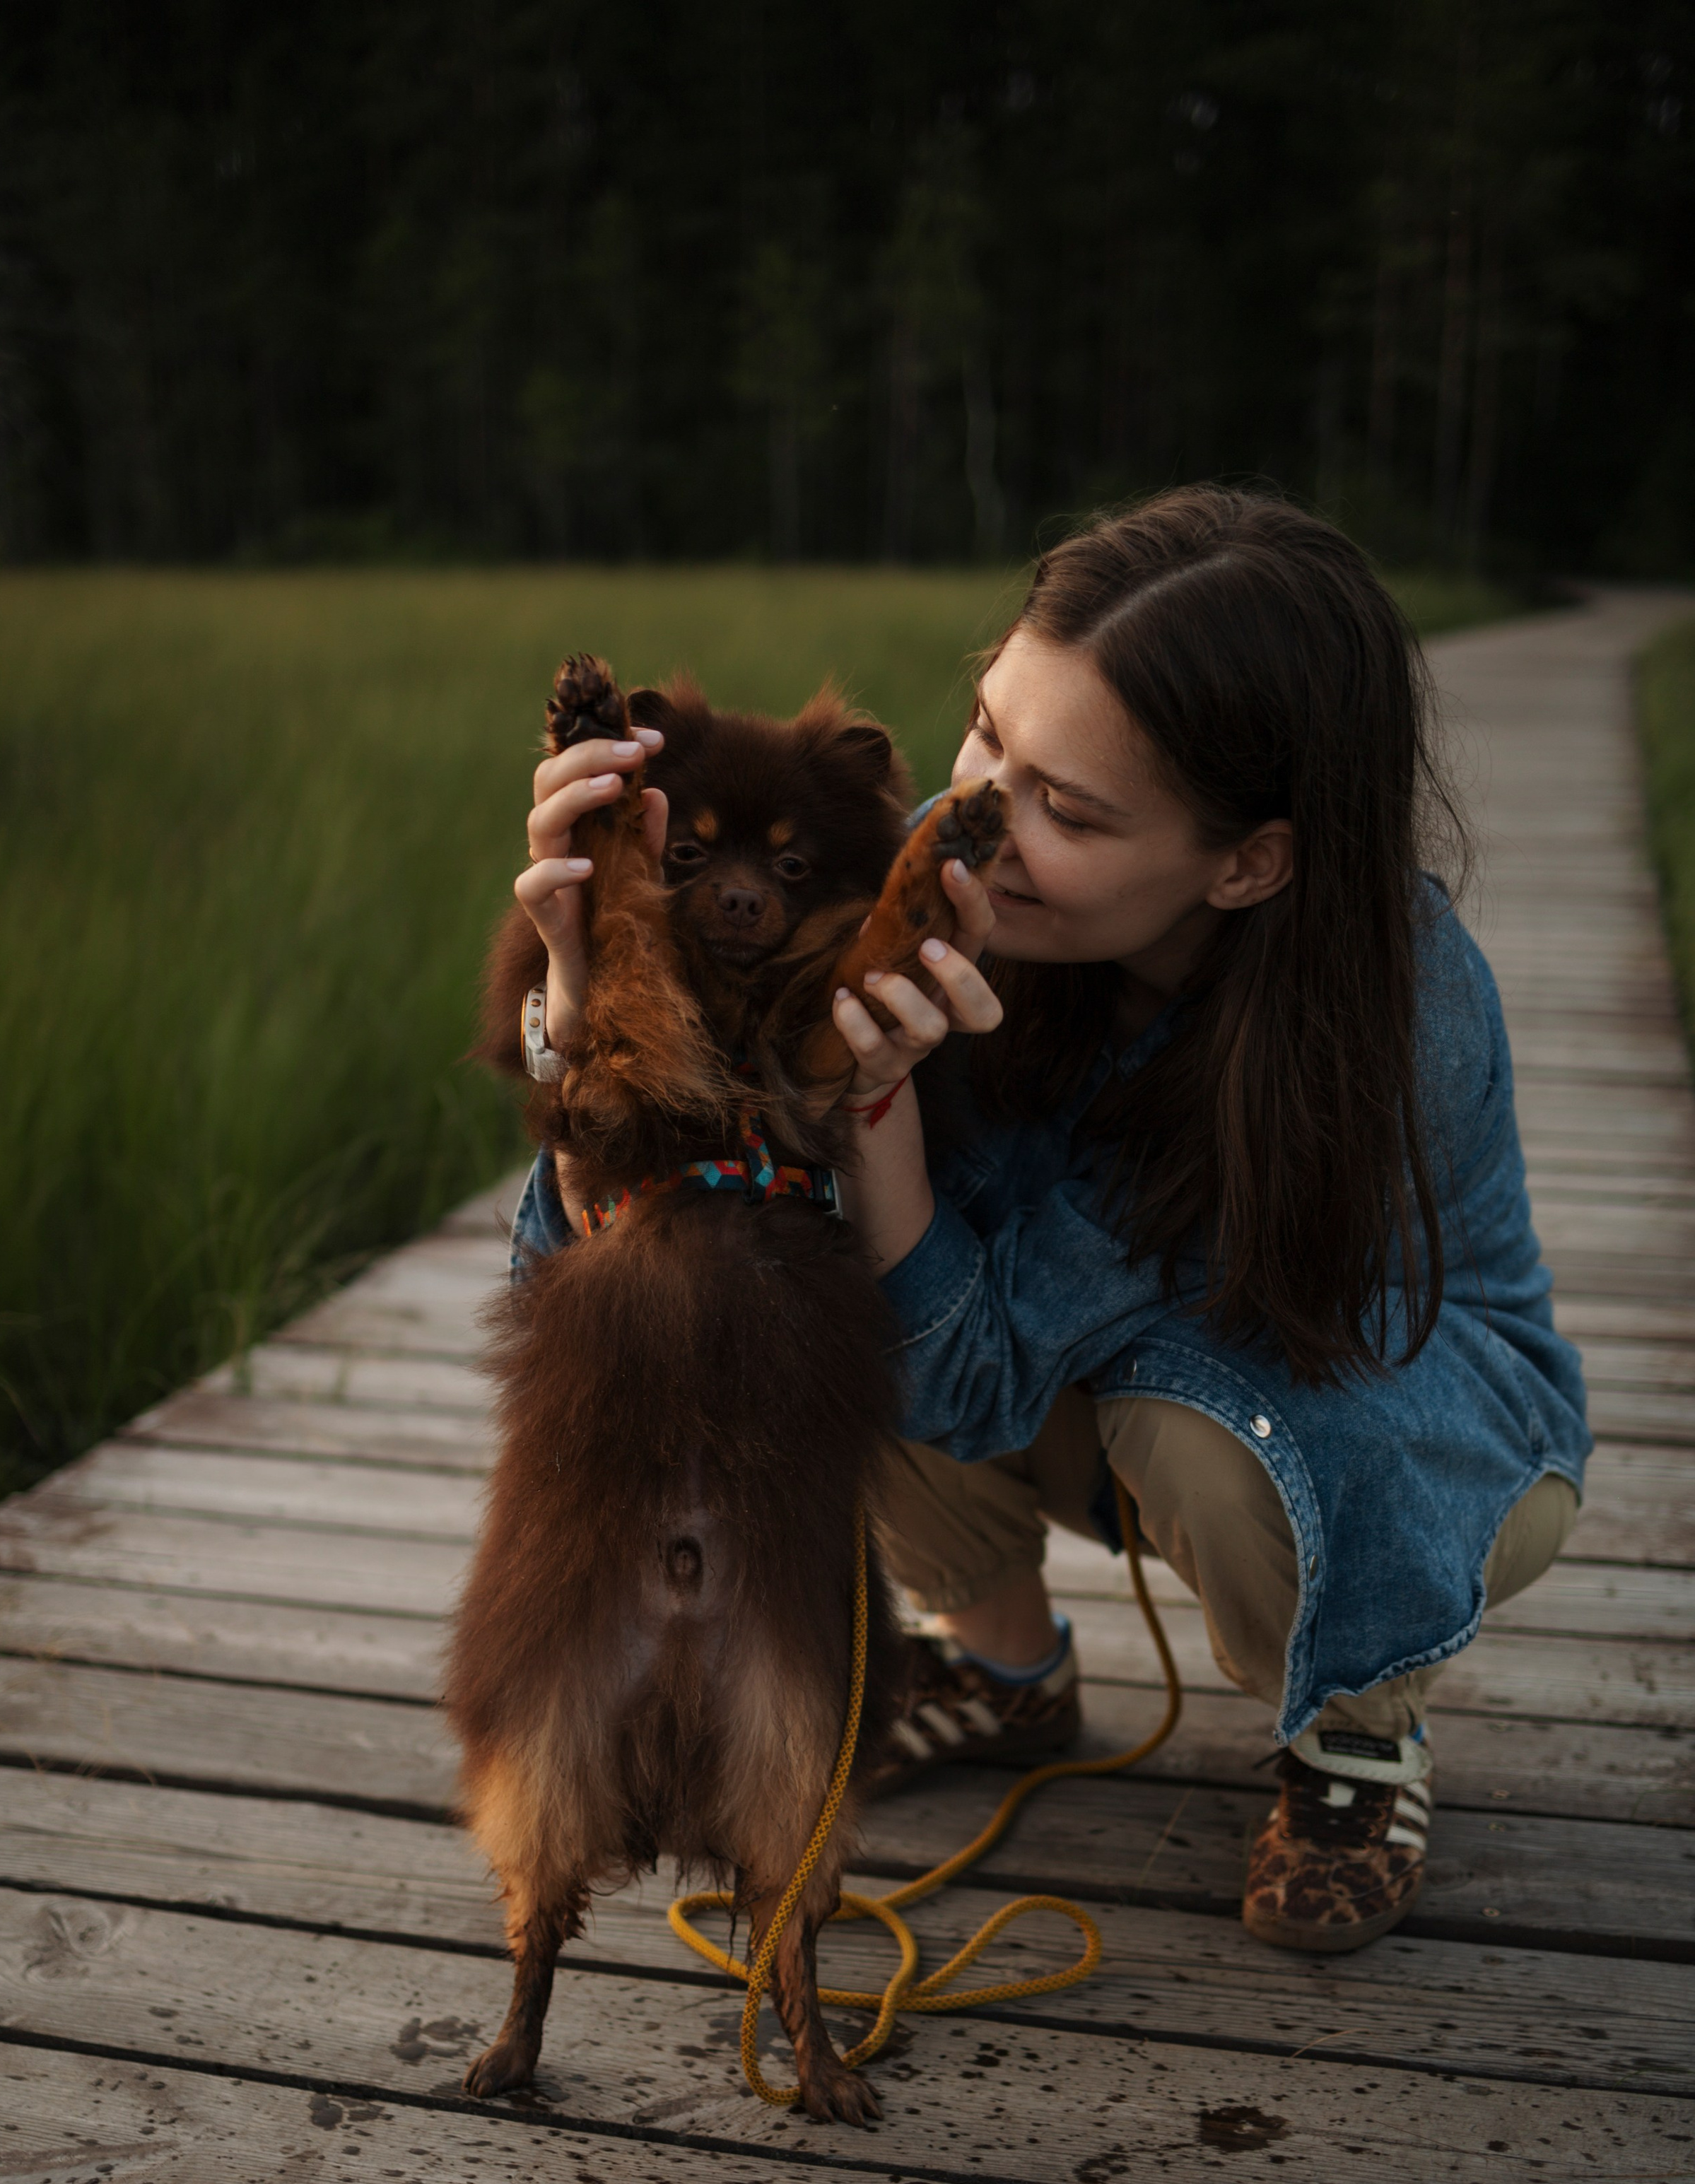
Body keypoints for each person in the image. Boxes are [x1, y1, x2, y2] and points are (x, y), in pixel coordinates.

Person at [506, 487, 1588, 1956]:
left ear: (1247, 861)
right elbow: (644, 1241)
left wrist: (873, 1115)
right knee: (802, 1302)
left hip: (1380, 1420)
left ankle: (1353, 1725)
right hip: (1069, 1364)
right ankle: (1010, 1669)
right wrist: (581, 985)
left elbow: (976, 1370)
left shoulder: (1373, 1023)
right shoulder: (960, 924)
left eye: (1065, 811)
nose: (981, 820)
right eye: (986, 737)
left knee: (1193, 1427)